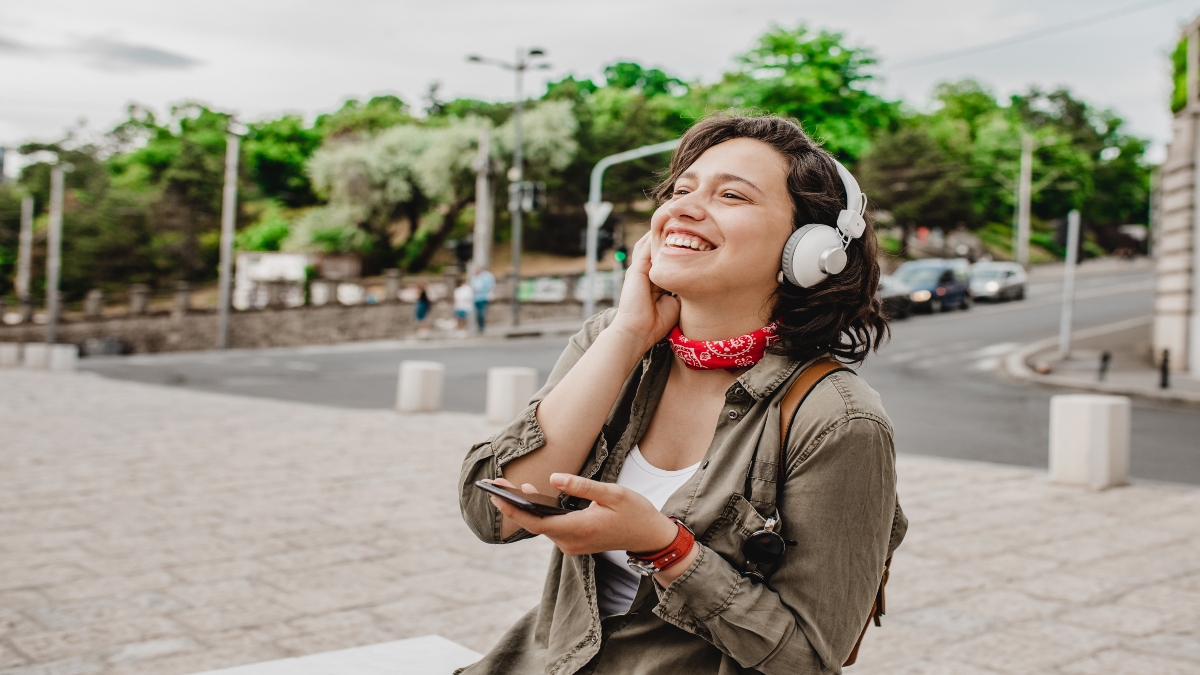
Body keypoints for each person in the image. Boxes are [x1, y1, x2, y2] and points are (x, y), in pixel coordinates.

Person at [458, 113, 906, 674]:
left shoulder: (838, 420)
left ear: (810, 250)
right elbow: (492, 515)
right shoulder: (612, 342)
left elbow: (809, 662)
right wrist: (627, 334)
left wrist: (666, 548)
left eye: (732, 196)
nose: (683, 207)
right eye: (682, 189)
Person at [470, 264, 496, 334]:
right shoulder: (474, 277)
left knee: (481, 313)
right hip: (476, 298)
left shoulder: (487, 276)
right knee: (477, 313)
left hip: (483, 297)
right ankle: (479, 327)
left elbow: (490, 286)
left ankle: (482, 327)